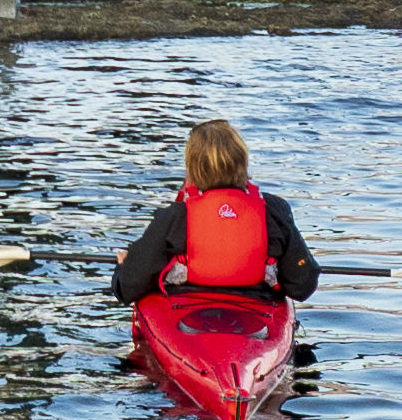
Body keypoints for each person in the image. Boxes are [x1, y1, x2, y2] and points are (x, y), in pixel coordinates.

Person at [108, 118, 320, 305]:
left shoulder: (176, 217)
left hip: (187, 309)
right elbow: (302, 286)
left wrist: (124, 267)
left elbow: (126, 289)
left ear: (192, 168)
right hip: (256, 307)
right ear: (242, 162)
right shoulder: (273, 210)